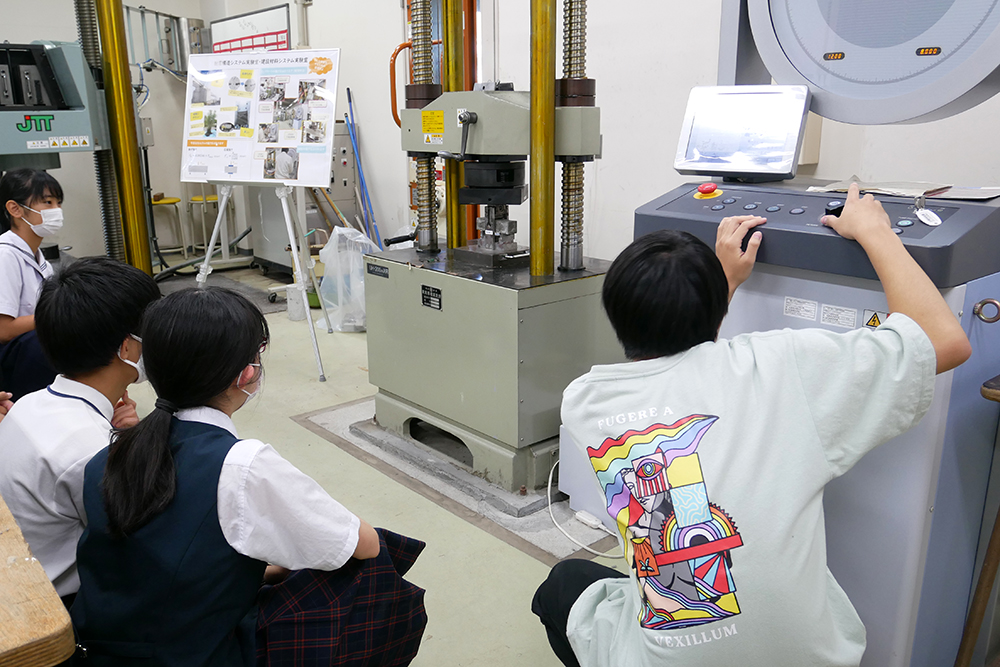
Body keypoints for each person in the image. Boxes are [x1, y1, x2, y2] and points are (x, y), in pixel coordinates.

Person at [532, 184, 971, 667]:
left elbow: (680, 377)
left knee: (565, 583)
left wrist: (719, 288)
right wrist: (876, 232)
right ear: (714, 310)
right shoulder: (782, 366)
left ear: (615, 312)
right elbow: (944, 341)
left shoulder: (586, 402)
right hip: (809, 659)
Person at [71, 287, 427, 666]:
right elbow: (363, 544)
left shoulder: (110, 453)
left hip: (102, 651)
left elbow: (166, 564)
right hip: (196, 656)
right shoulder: (241, 465)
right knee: (375, 566)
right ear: (245, 373)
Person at [0, 257, 160, 604]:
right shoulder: (90, 450)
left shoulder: (28, 404)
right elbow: (148, 550)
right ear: (127, 347)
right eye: (153, 329)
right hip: (67, 607)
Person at [0, 168, 63, 400]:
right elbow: (4, 330)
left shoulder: (37, 257)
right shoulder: (5, 255)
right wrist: (60, 314)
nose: (56, 210)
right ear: (15, 209)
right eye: (47, 202)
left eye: (58, 203)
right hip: (16, 358)